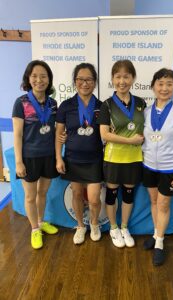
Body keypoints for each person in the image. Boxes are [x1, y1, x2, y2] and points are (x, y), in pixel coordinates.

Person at [142, 68, 173, 266]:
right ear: (153, 86)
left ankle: (160, 244)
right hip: (148, 166)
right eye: (161, 84)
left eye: (169, 84)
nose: (164, 88)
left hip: (170, 168)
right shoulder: (146, 112)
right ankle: (156, 235)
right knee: (154, 202)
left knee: (164, 205)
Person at [98, 60, 146, 248]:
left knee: (128, 194)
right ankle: (113, 227)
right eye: (118, 76)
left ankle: (124, 227)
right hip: (113, 158)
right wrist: (130, 141)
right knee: (111, 194)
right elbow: (104, 134)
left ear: (133, 78)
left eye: (126, 76)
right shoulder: (107, 105)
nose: (122, 81)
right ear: (112, 79)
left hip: (134, 158)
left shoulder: (141, 103)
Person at [12, 60, 59, 250]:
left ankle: (41, 221)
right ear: (28, 79)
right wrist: (18, 162)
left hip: (48, 155)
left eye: (43, 76)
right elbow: (17, 134)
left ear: (49, 80)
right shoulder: (21, 103)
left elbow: (54, 129)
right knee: (30, 196)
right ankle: (34, 229)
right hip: (29, 157)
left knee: (43, 192)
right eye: (34, 76)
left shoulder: (53, 103)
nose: (39, 80)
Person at [55, 63, 103, 245]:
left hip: (95, 159)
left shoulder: (101, 106)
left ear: (95, 82)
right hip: (73, 159)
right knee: (76, 194)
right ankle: (80, 226)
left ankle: (94, 223)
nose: (85, 83)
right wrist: (59, 157)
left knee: (93, 198)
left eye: (89, 79)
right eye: (80, 79)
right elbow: (59, 135)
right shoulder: (66, 106)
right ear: (75, 81)